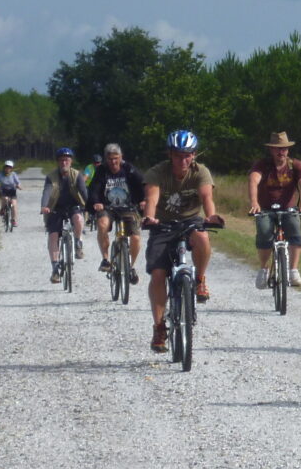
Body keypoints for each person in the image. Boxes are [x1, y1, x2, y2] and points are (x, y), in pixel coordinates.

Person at [141, 129, 223, 352]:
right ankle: (159, 327)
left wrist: (211, 217)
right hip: (163, 224)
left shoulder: (200, 172)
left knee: (203, 237)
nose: (183, 159)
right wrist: (149, 217)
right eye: (178, 154)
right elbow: (152, 197)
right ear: (170, 154)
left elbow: (207, 197)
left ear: (194, 155)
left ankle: (200, 280)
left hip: (190, 221)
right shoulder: (157, 172)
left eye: (187, 154)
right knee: (158, 274)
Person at [246, 131, 301, 288]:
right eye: (277, 148)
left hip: (288, 209)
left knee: (295, 229)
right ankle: (263, 269)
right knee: (264, 232)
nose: (281, 152)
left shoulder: (296, 165)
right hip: (266, 209)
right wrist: (254, 203)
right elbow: (253, 180)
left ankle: (293, 270)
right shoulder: (262, 165)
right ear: (271, 150)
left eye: (284, 148)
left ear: (288, 150)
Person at [89, 143, 145, 283]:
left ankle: (130, 266)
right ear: (106, 159)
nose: (113, 162)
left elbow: (143, 183)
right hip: (108, 208)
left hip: (128, 207)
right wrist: (96, 202)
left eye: (116, 158)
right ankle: (106, 259)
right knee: (102, 225)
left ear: (121, 157)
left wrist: (143, 200)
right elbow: (94, 188)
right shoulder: (102, 170)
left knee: (136, 237)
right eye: (110, 159)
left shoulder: (129, 169)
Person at [40, 148, 89, 283]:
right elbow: (47, 191)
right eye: (61, 160)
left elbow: (83, 191)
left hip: (73, 207)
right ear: (57, 162)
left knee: (78, 219)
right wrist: (44, 206)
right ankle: (55, 269)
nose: (64, 162)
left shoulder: (77, 175)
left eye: (66, 160)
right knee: (53, 235)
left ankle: (78, 243)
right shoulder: (51, 177)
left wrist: (89, 205)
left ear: (71, 161)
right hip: (55, 208)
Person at [0, 160, 21, 227]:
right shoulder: (0, 174)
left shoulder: (13, 174)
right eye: (6, 167)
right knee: (5, 198)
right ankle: (2, 209)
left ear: (11, 168)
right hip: (3, 190)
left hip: (12, 190)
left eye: (9, 167)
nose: (8, 169)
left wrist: (18, 186)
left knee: (14, 205)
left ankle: (13, 220)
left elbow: (18, 182)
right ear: (4, 167)